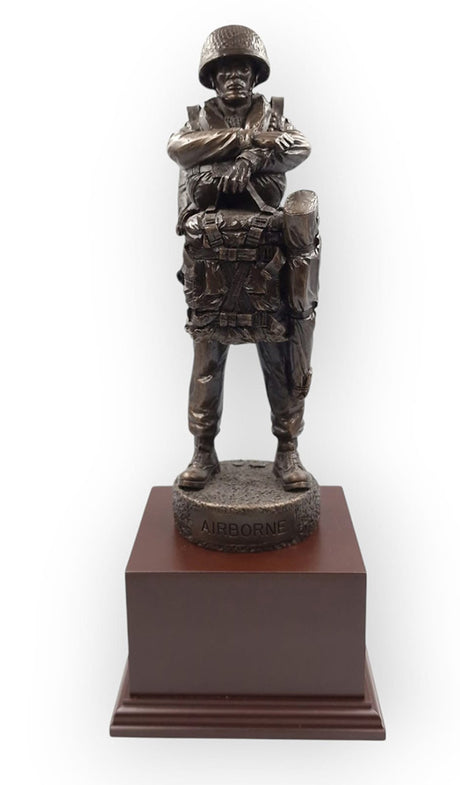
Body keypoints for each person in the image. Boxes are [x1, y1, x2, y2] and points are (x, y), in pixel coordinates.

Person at [167, 25, 320, 491]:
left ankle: (288, 449)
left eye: (242, 71)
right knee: (207, 362)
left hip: (266, 256)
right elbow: (179, 149)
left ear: (255, 77)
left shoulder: (274, 117)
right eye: (225, 71)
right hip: (211, 258)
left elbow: (299, 147)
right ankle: (202, 450)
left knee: (280, 357)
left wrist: (254, 161)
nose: (234, 78)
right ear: (213, 79)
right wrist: (244, 143)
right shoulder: (197, 121)